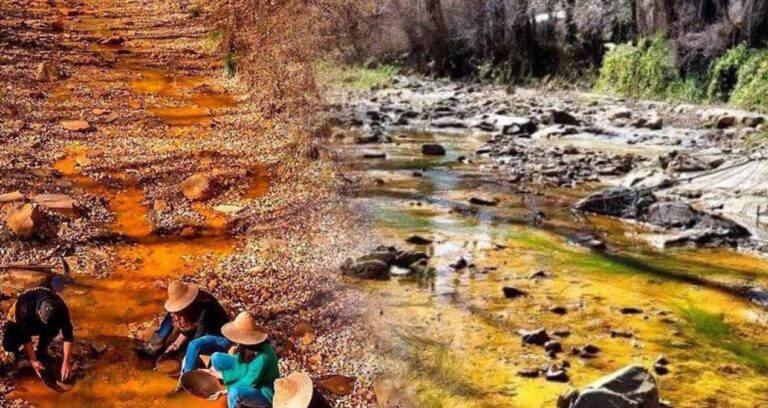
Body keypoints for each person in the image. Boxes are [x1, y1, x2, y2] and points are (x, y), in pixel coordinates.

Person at [204, 312, 280, 408]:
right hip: (248, 377)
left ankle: (234, 403)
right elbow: (239, 369)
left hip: (262, 391)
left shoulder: (263, 357)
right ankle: (231, 392)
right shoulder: (246, 348)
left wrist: (224, 392)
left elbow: (248, 382)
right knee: (216, 357)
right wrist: (217, 374)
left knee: (234, 393)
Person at [1, 287, 73, 382]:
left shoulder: (61, 309)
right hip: (21, 319)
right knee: (9, 344)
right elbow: (25, 337)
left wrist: (66, 362)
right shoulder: (24, 307)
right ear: (39, 312)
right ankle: (17, 353)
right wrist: (33, 361)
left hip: (42, 320)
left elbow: (68, 336)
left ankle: (41, 351)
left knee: (53, 328)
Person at [142, 280, 229, 357]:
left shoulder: (205, 307)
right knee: (170, 317)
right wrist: (175, 344)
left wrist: (181, 347)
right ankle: (153, 346)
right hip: (197, 325)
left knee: (189, 348)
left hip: (215, 332)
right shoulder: (187, 309)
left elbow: (198, 335)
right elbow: (189, 324)